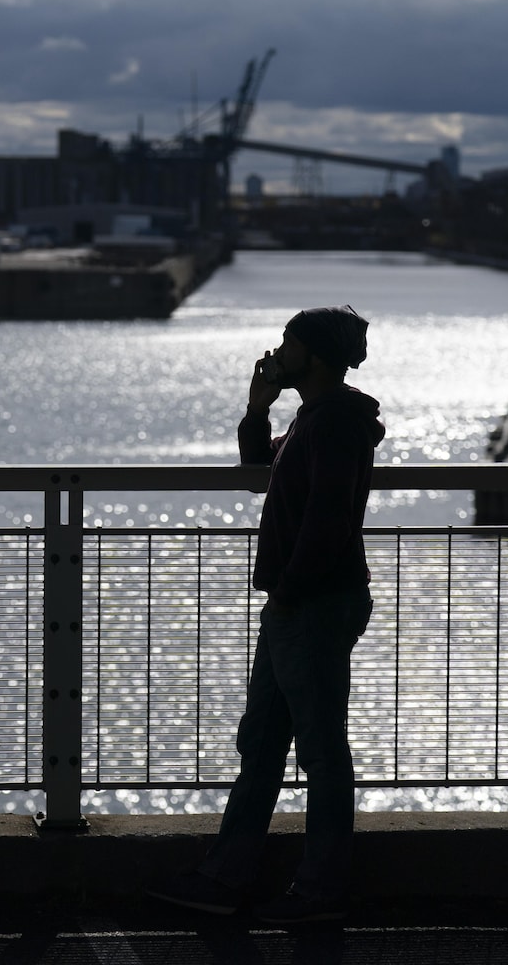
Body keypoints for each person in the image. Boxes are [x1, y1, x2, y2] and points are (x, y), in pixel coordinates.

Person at [148, 305, 385, 924]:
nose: (278, 349)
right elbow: (259, 476)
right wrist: (258, 408)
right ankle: (230, 875)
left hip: (313, 603)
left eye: (289, 342)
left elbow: (329, 521)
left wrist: (289, 590)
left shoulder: (335, 423)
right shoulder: (313, 419)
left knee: (320, 750)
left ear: (314, 353)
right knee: (263, 740)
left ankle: (319, 892)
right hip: (298, 602)